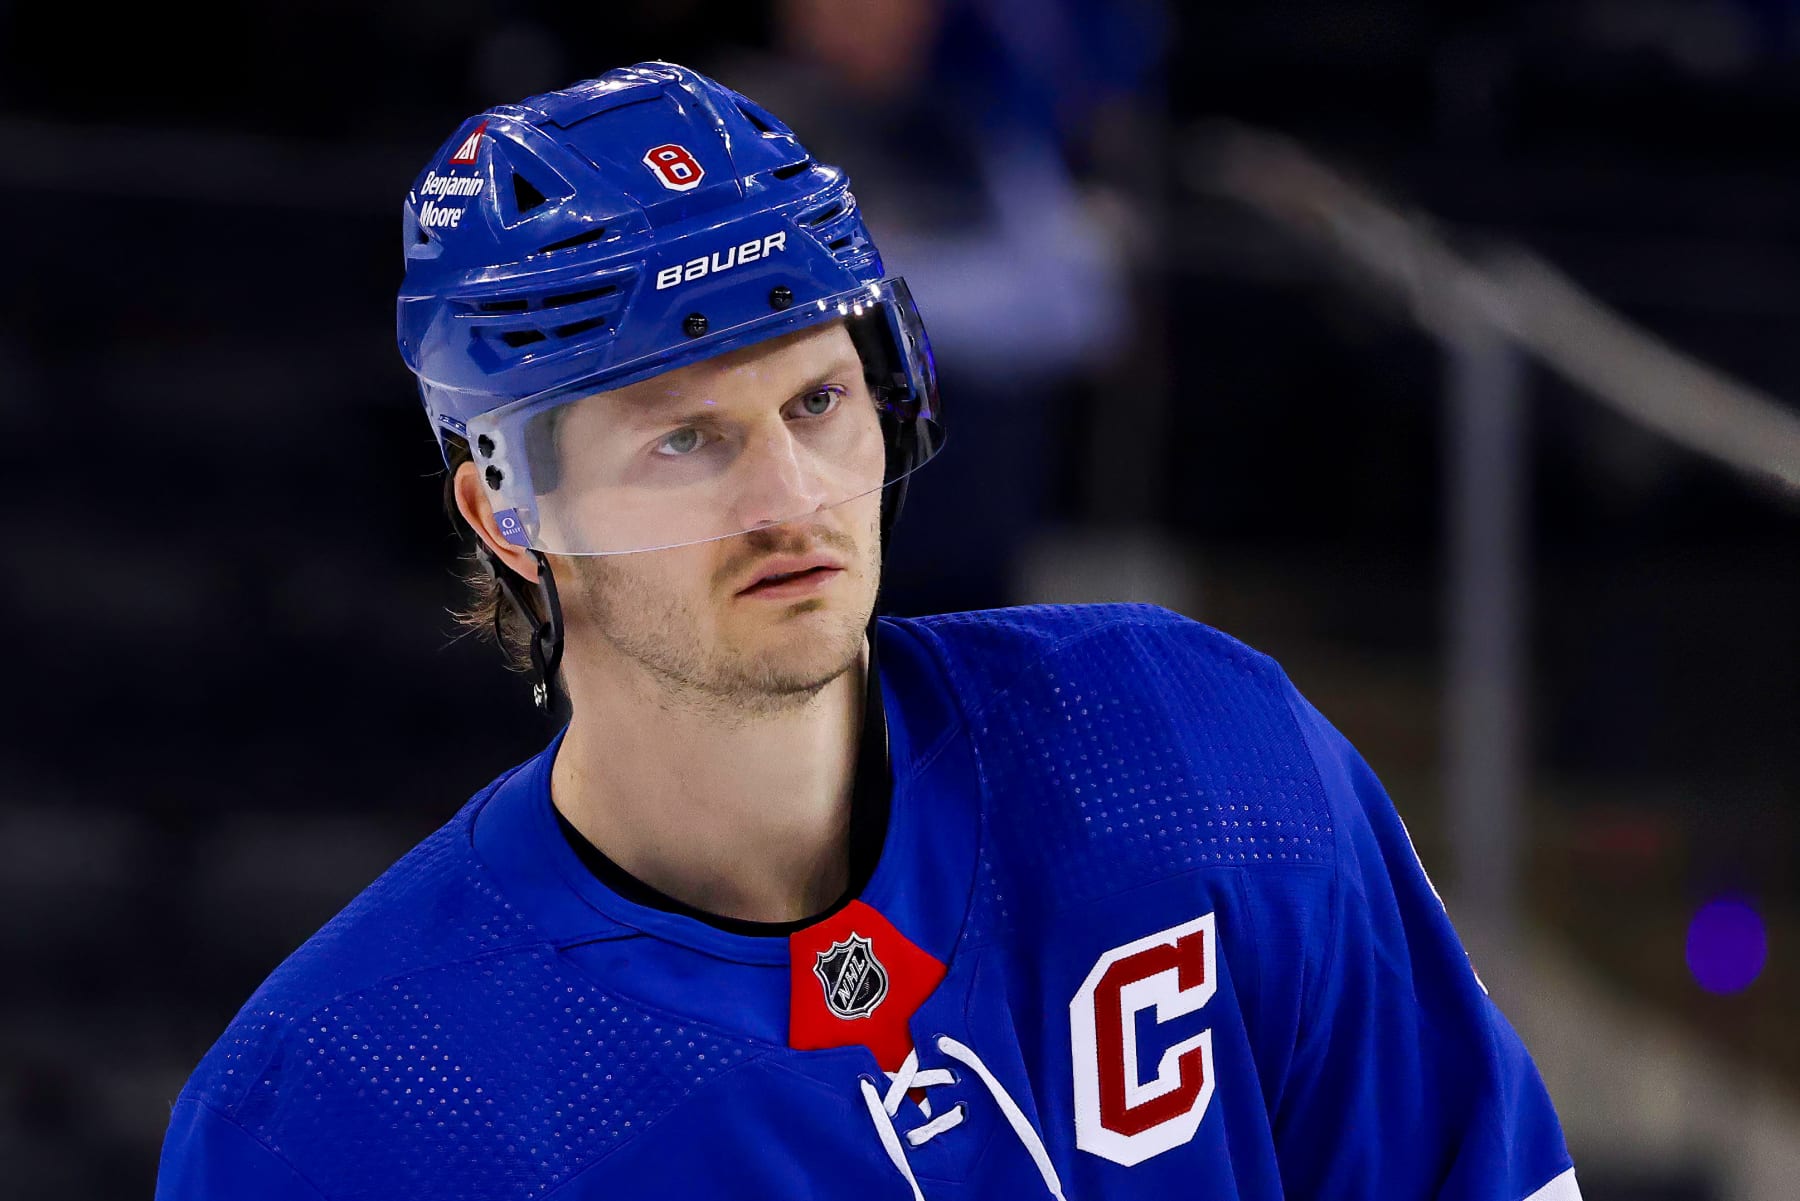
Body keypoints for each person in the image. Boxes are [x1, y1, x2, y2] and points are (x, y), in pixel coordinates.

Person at [155, 62, 1580, 1200]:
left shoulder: (1191, 742)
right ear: (508, 514)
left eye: (818, 402)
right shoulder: (337, 1103)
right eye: (686, 439)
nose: (790, 497)